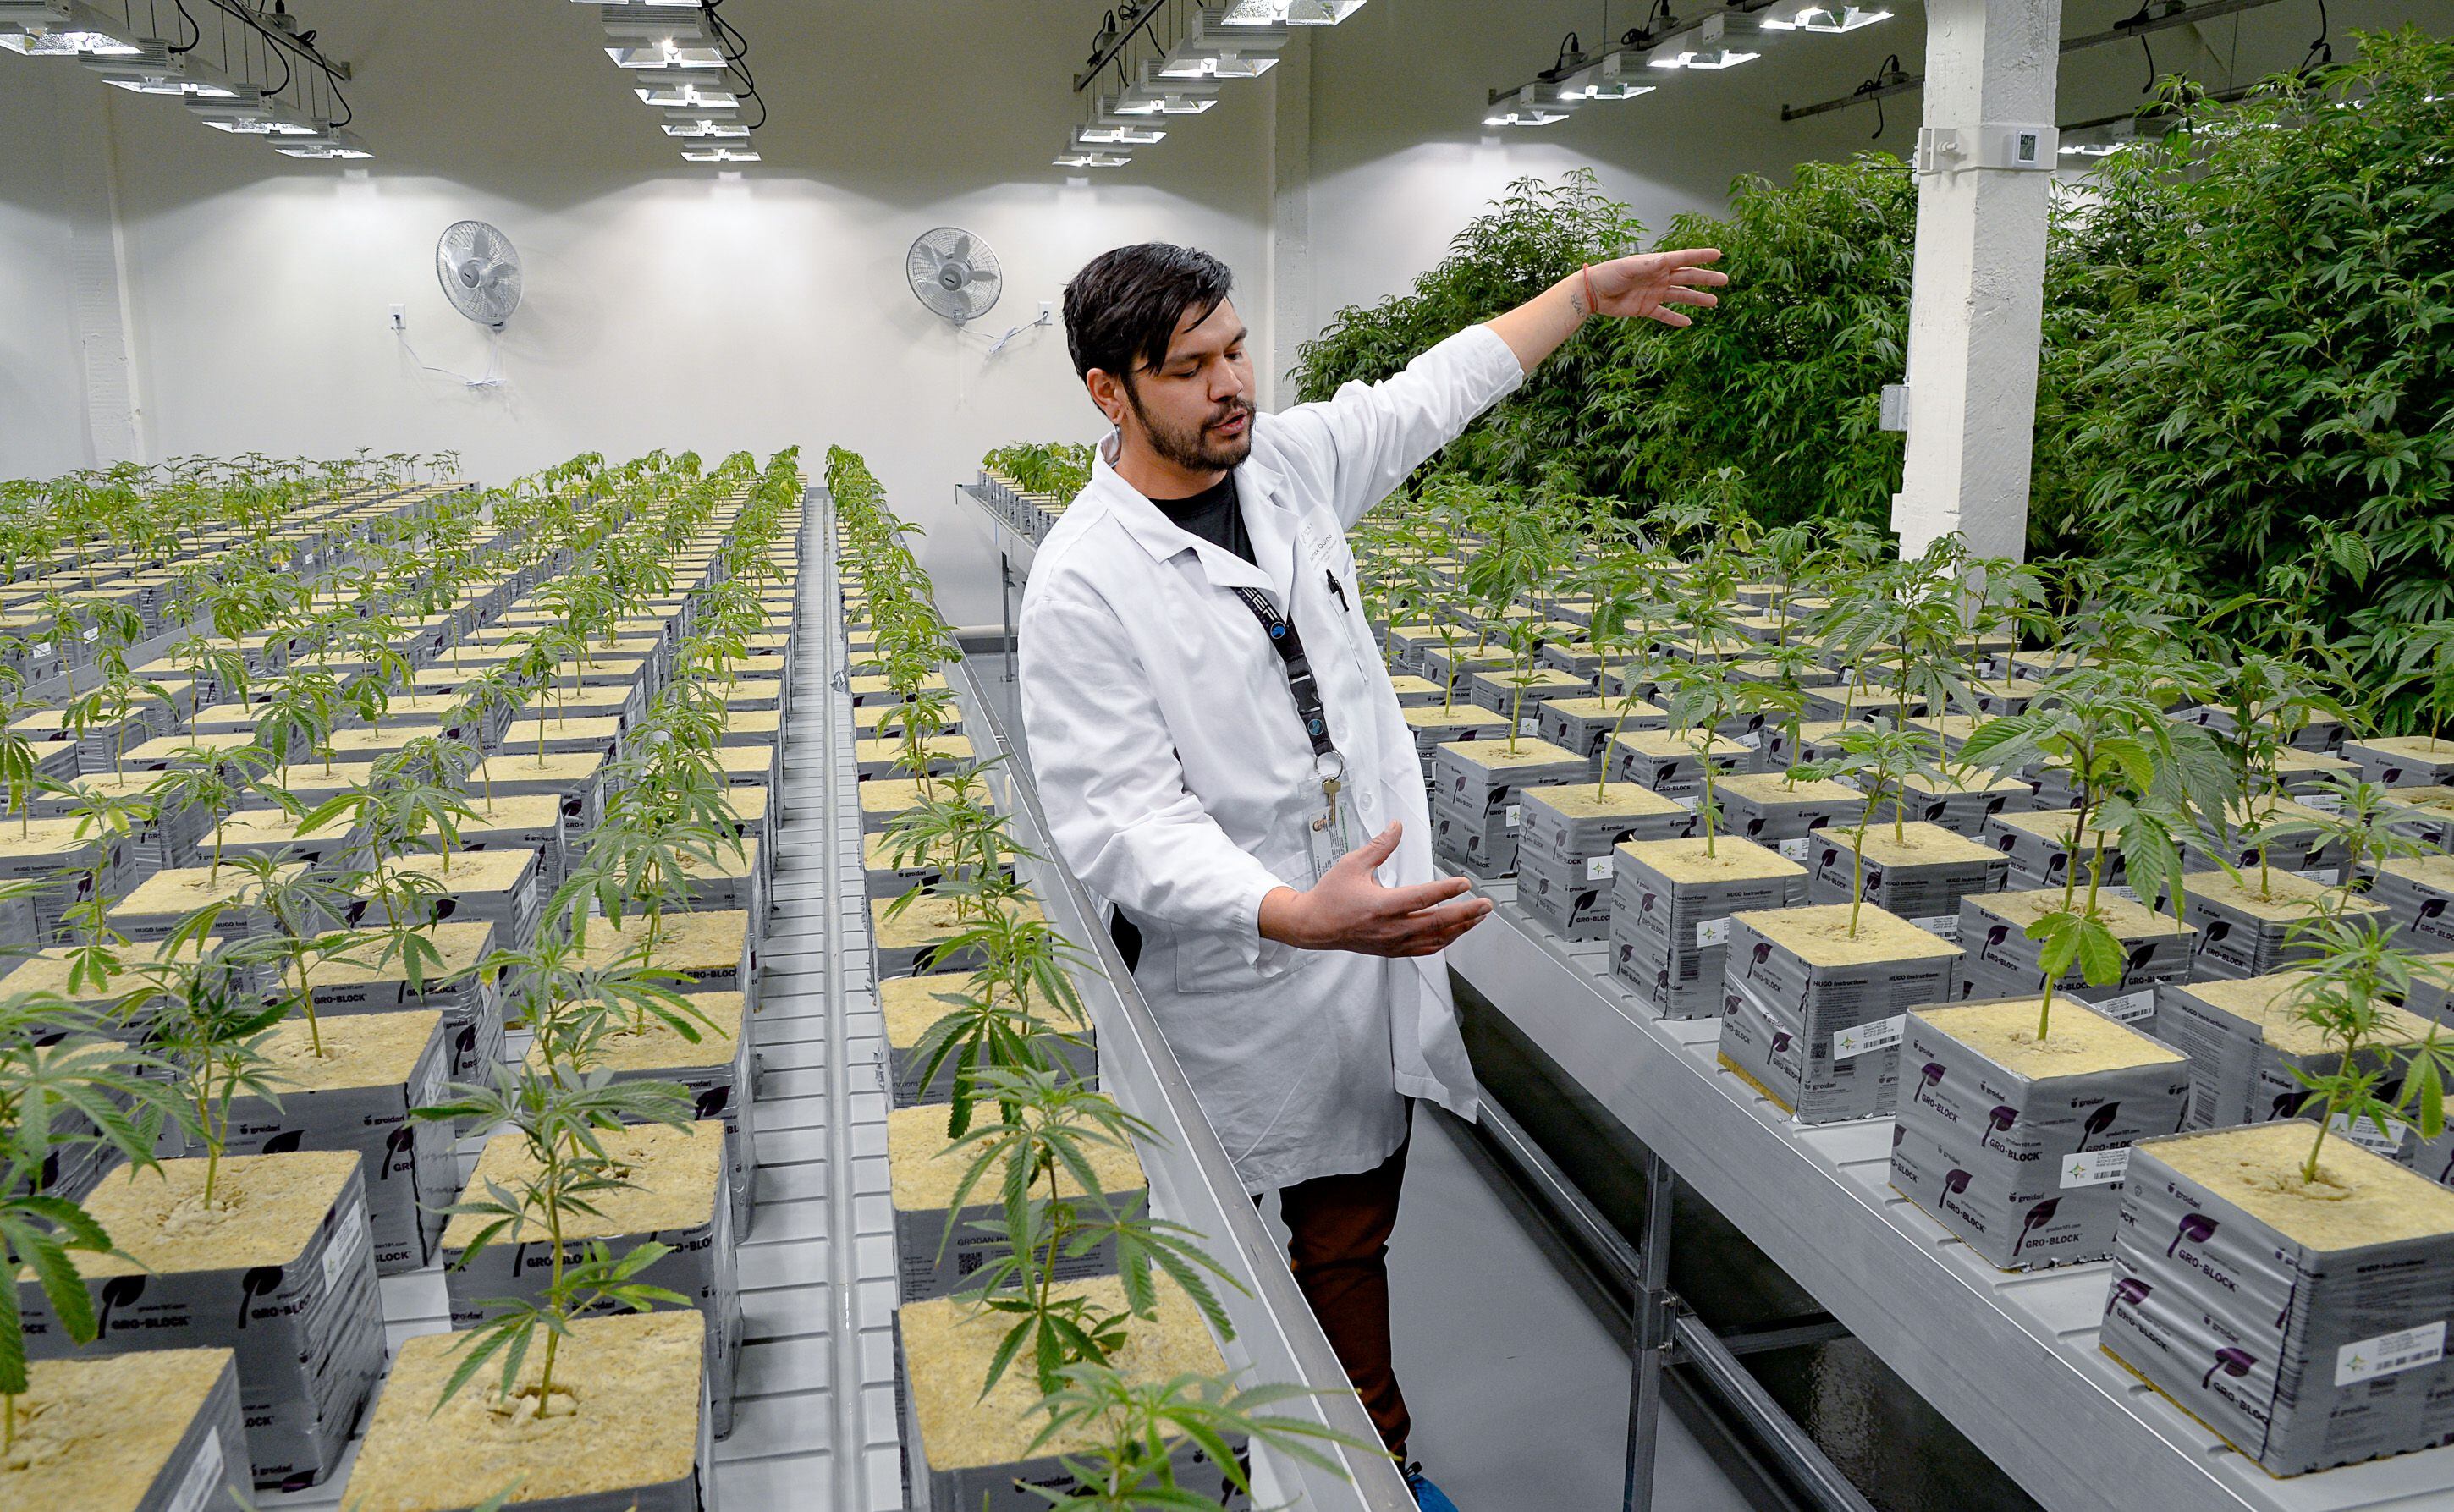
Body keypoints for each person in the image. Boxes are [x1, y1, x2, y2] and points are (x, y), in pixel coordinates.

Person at [1016, 240, 1725, 1509]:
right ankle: (1249, 1472)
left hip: (1364, 945)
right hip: (1230, 972)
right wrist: (1295, 913)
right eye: (1191, 369)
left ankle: (1377, 1463)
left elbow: (1428, 393)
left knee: (1350, 1234)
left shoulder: (1283, 466)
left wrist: (1577, 298)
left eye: (1236, 350)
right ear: (1108, 393)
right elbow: (1123, 820)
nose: (1232, 384)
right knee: (1219, 1256)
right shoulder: (1084, 581)